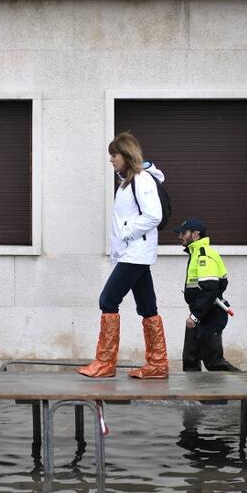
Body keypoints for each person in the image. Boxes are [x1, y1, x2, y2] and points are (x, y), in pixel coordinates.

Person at [79, 131, 168, 379]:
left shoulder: (141, 179)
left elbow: (154, 216)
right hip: (132, 252)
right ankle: (158, 364)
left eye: (114, 155)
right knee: (147, 307)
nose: (111, 160)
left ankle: (105, 363)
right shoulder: (128, 181)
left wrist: (127, 232)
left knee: (108, 299)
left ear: (126, 155)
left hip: (135, 252)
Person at [175, 218, 238, 372]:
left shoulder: (204, 255)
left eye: (184, 233)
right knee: (190, 361)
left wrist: (195, 316)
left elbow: (210, 290)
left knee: (214, 363)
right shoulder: (196, 253)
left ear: (196, 234)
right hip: (200, 313)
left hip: (209, 315)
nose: (180, 236)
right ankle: (198, 395)